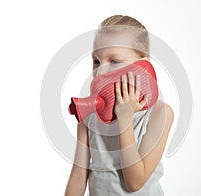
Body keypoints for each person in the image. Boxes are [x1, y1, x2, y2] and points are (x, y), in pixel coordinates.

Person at [65, 15, 174, 196]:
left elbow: (135, 182)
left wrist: (124, 119)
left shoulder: (160, 114)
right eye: (96, 61)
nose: (100, 70)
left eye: (114, 61)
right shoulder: (88, 117)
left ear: (142, 66)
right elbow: (78, 175)